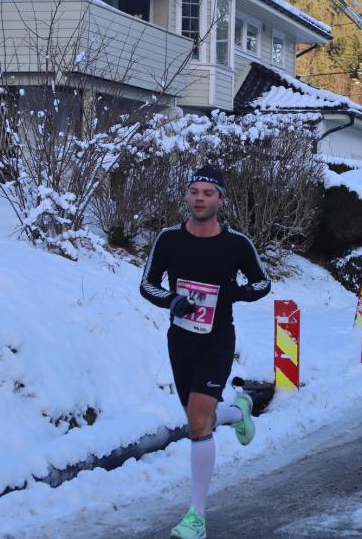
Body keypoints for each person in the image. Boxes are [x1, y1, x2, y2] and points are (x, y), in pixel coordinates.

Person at [140, 165, 271, 539]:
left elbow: (262, 282)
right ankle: (238, 410)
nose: (199, 198)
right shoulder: (168, 240)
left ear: (221, 200)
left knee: (197, 422)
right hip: (181, 340)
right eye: (194, 191)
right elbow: (146, 285)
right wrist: (172, 300)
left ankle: (196, 515)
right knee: (204, 418)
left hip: (217, 340)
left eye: (207, 192)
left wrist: (236, 293)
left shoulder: (236, 244)